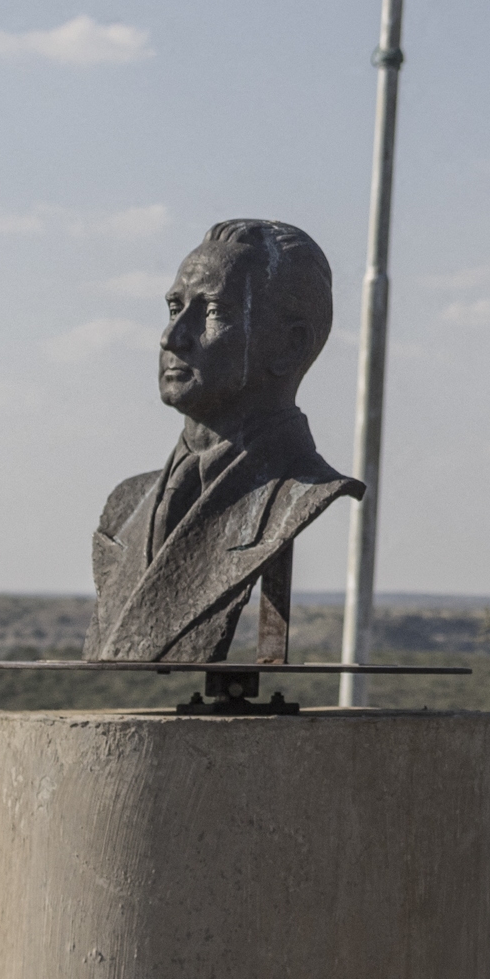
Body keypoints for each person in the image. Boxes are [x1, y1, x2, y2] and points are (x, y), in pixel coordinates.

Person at [87, 220, 360, 664]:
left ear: (289, 346)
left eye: (213, 311)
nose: (172, 338)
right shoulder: (125, 506)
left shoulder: (301, 494)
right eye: (174, 308)